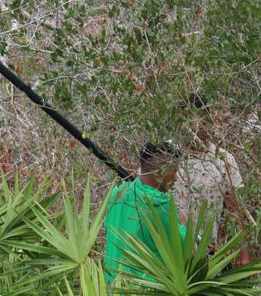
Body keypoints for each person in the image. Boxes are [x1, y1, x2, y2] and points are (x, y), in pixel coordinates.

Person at [173, 94, 251, 264]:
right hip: (173, 256)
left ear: (206, 120)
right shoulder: (169, 160)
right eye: (185, 120)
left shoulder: (223, 160)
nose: (191, 127)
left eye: (196, 119)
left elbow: (233, 211)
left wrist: (243, 253)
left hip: (210, 257)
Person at [103, 142, 187, 285]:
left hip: (112, 290)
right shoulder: (159, 204)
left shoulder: (118, 193)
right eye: (174, 170)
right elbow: (181, 251)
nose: (176, 178)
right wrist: (184, 224)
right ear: (162, 171)